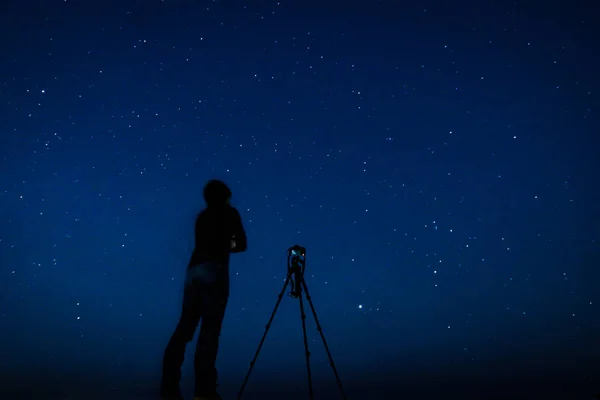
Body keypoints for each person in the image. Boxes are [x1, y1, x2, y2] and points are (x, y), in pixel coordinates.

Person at [160, 179, 247, 400]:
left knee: (184, 329)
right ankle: (204, 392)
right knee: (209, 332)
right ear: (225, 196)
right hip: (214, 271)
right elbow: (242, 244)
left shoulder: (202, 217)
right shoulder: (230, 212)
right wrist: (230, 243)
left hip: (194, 271)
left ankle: (169, 388)